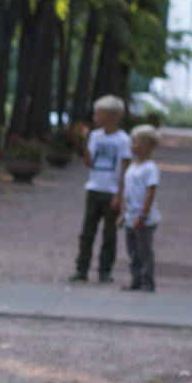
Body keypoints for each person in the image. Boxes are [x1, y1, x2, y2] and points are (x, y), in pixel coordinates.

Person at [72, 95, 129, 283]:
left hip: (111, 192)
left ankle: (105, 271)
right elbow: (89, 162)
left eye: (98, 114)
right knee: (87, 232)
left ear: (111, 116)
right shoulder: (95, 136)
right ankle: (82, 268)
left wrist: (119, 196)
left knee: (109, 235)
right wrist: (85, 142)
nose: (95, 118)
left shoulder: (123, 140)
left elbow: (125, 171)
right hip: (94, 190)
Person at [120, 124, 162, 292]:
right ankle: (136, 279)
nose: (131, 145)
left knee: (144, 252)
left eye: (135, 142)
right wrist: (123, 214)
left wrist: (143, 216)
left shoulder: (150, 168)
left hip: (142, 219)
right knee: (133, 252)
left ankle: (147, 281)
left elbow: (150, 193)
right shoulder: (133, 165)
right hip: (130, 216)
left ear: (146, 144)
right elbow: (127, 191)